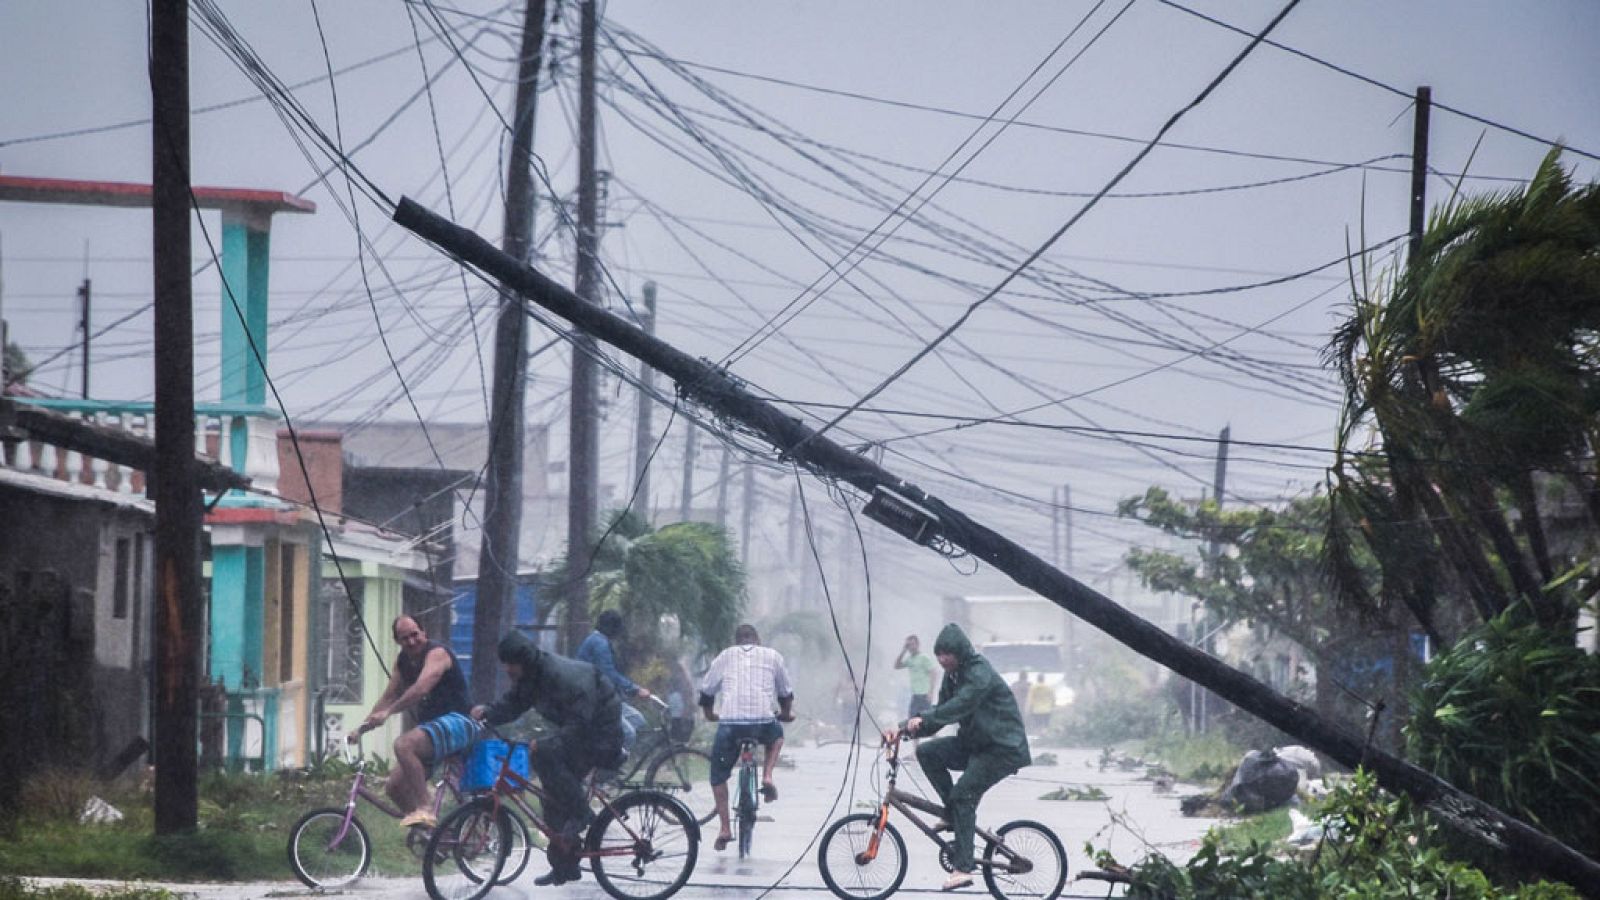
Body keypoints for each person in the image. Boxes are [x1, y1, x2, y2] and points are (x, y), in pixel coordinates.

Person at [882, 623, 1031, 892]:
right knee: (927, 752)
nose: (941, 659)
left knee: (963, 796)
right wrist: (903, 728)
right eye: (938, 654)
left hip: (1001, 748)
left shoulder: (979, 672)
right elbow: (940, 714)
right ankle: (952, 814)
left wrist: (921, 718)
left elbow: (960, 705)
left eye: (947, 654)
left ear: (960, 652)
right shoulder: (952, 676)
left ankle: (963, 868)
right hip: (974, 743)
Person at [471, 631, 623, 887]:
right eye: (505, 663)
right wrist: (488, 712)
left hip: (601, 732)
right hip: (581, 729)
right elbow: (514, 703)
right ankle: (564, 866)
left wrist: (548, 743)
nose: (507, 669)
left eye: (511, 664)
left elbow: (580, 722)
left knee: (544, 755)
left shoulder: (560, 677)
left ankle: (582, 813)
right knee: (551, 796)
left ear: (524, 660)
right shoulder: (531, 676)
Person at [350, 615, 477, 829]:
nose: (411, 641)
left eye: (414, 635)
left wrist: (389, 712)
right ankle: (431, 836)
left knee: (404, 744)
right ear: (397, 641)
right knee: (395, 788)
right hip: (432, 729)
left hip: (460, 722)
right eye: (404, 638)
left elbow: (421, 688)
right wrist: (361, 729)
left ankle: (425, 807)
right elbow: (389, 696)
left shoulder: (437, 654)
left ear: (424, 632)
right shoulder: (403, 662)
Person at [699, 623, 795, 852]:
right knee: (777, 736)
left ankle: (725, 828)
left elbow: (707, 690)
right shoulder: (773, 656)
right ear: (757, 640)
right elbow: (785, 693)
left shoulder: (725, 656)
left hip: (730, 724)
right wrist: (785, 713)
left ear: (737, 641)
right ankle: (768, 775)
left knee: (718, 775)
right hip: (762, 723)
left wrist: (710, 715)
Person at [575, 609, 653, 755]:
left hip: (606, 698)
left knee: (638, 720)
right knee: (629, 734)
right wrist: (635, 689)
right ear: (611, 628)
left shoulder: (598, 640)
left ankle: (609, 750)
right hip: (595, 701)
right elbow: (608, 675)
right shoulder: (599, 644)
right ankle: (608, 764)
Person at [894, 634, 937, 717]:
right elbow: (896, 666)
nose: (911, 647)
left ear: (917, 644)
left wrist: (931, 692)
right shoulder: (909, 659)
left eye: (912, 644)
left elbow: (934, 672)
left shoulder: (924, 657)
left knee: (926, 720)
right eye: (908, 645)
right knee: (911, 720)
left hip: (925, 696)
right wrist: (903, 650)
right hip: (915, 696)